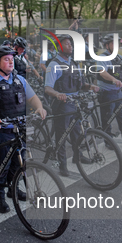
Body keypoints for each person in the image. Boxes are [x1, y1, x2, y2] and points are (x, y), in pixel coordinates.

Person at [0, 45, 47, 213]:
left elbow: (33, 97)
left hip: (19, 130)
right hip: (0, 132)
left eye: (12, 59)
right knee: (1, 166)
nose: (10, 62)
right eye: (6, 59)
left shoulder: (19, 79)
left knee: (19, 162)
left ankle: (13, 188)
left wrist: (39, 107)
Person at [45, 34, 99, 177]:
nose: (70, 46)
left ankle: (78, 156)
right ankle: (62, 165)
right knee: (62, 135)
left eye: (71, 44)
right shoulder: (54, 64)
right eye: (67, 44)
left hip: (75, 103)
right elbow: (47, 88)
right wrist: (57, 94)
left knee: (78, 132)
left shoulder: (73, 63)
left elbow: (80, 84)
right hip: (62, 105)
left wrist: (91, 86)